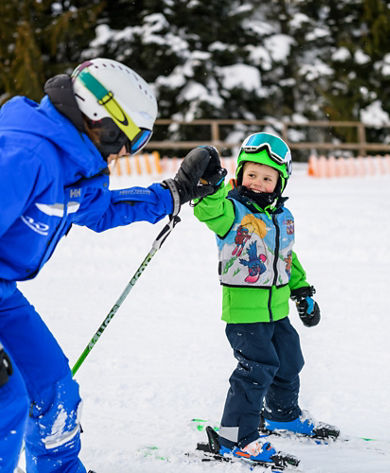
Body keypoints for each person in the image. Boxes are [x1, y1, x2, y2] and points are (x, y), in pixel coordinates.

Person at [0, 57, 220, 473]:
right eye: (129, 139)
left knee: (55, 389)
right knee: (6, 401)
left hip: (4, 295)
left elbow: (100, 210)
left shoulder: (72, 163)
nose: (125, 152)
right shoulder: (25, 153)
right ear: (101, 118)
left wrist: (176, 192)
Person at [193, 133, 339, 465]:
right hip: (245, 312)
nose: (258, 182)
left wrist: (302, 291)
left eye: (268, 177)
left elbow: (287, 257)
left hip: (276, 309)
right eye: (252, 175)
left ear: (280, 182)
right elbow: (208, 210)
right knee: (255, 370)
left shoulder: (282, 218)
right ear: (239, 175)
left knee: (289, 360)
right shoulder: (231, 211)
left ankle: (281, 415)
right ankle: (235, 437)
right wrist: (208, 185)